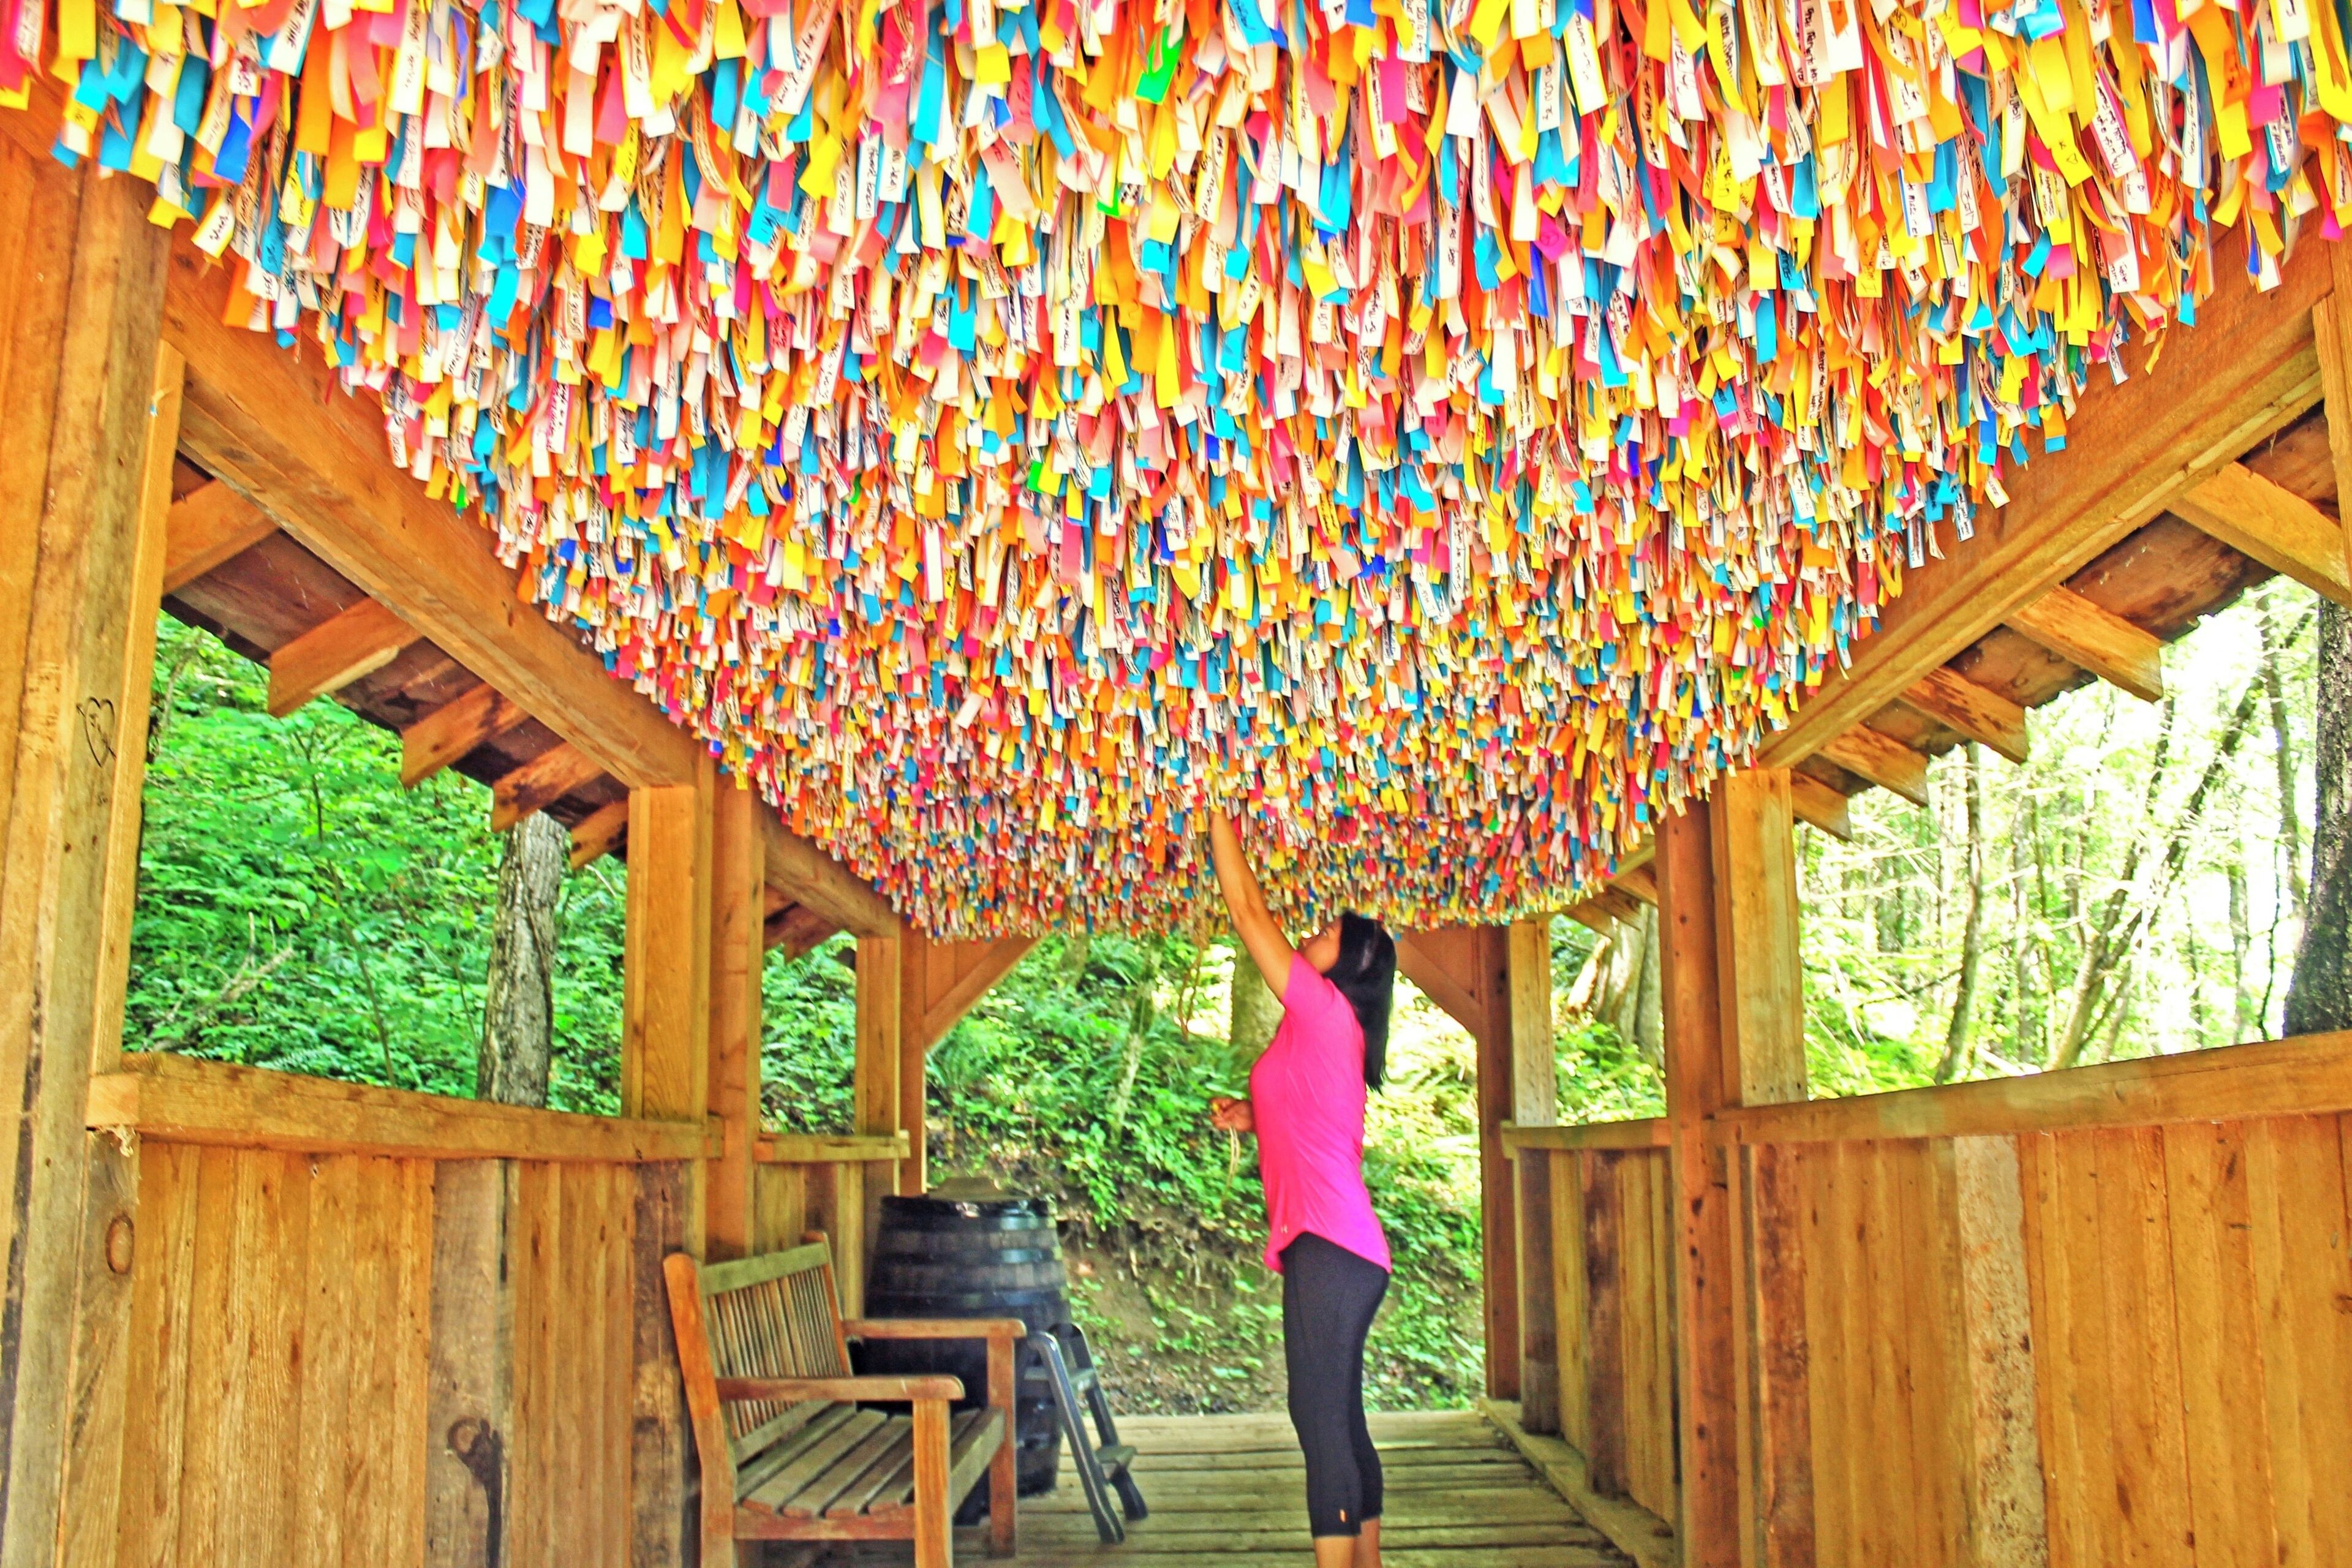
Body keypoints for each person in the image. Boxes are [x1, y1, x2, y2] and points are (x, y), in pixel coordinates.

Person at [1204, 809, 1398, 1568]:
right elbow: (1311, 1121)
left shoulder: (1321, 1009)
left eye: (1326, 930)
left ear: (1350, 960)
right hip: (1341, 1249)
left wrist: (1218, 809)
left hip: (1331, 1247)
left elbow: (1248, 910)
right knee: (1337, 1414)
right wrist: (1251, 1117)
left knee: (1318, 1416)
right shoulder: (1324, 1033)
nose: (1311, 932)